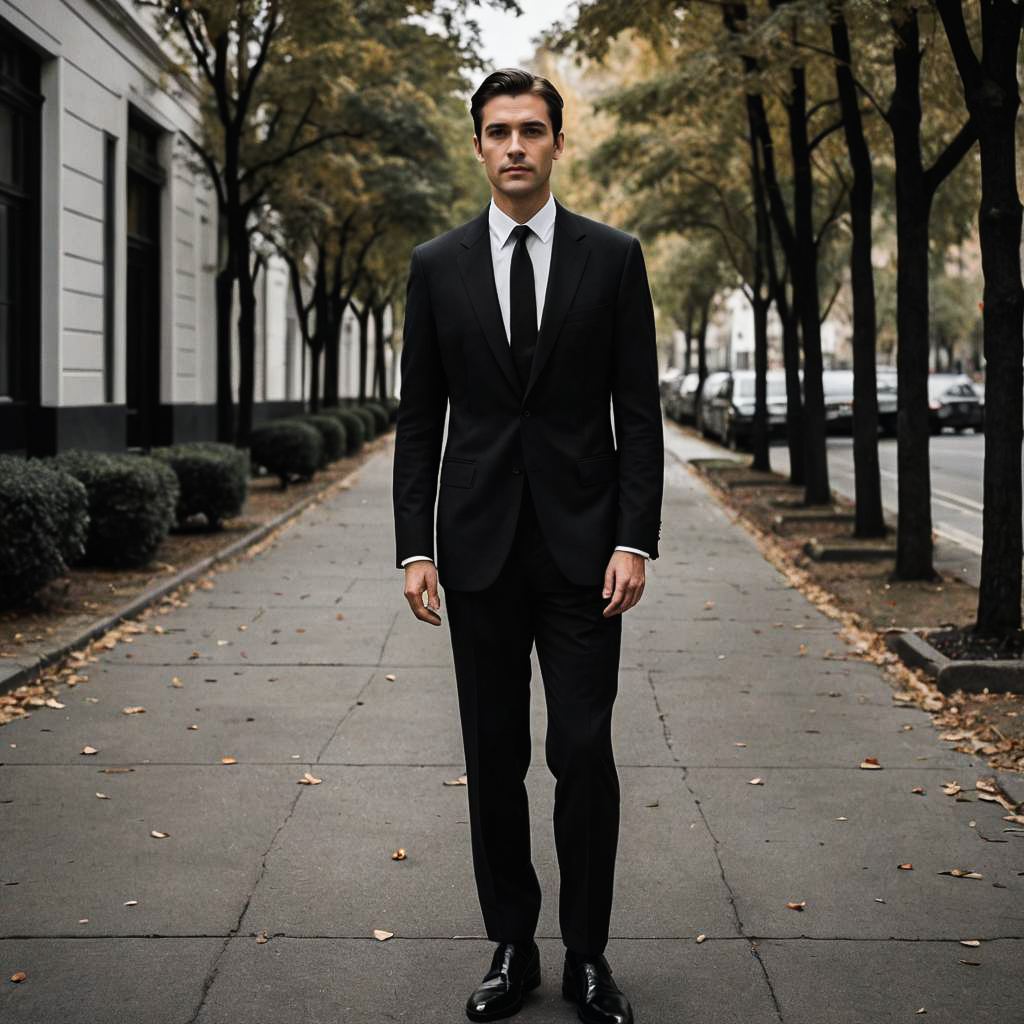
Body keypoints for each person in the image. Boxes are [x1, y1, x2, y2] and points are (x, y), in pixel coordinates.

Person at [392, 68, 663, 1024]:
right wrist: (414, 549)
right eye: (499, 130)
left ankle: (588, 955)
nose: (515, 145)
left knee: (583, 752)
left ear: (556, 144)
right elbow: (420, 418)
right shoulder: (437, 265)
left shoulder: (614, 256)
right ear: (477, 145)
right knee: (494, 752)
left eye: (532, 130)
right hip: (476, 552)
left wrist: (636, 539)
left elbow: (639, 411)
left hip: (587, 555)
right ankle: (514, 944)